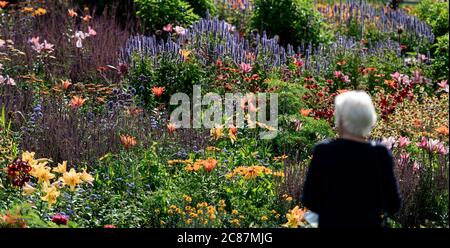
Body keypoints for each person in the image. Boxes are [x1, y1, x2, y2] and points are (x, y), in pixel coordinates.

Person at [301, 91, 401, 228]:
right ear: (369, 118)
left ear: (341, 119)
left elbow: (310, 200)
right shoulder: (380, 154)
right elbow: (393, 205)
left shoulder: (324, 151)